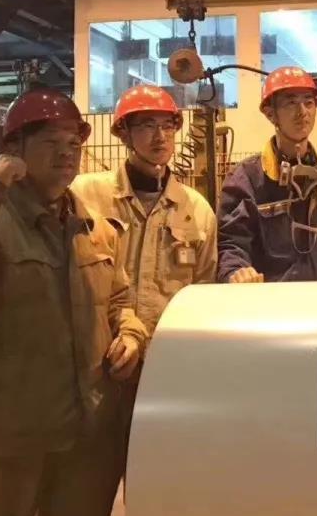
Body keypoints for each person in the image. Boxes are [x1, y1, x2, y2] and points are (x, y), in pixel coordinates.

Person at [0, 87, 147, 516]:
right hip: (6, 445)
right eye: (50, 142)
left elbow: (119, 298)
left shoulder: (94, 227)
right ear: (15, 149)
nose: (66, 153)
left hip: (85, 439)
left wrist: (131, 334)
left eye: (73, 143)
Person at [71, 84, 217, 487]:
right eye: (146, 125)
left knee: (158, 489)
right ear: (123, 133)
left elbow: (203, 295)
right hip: (96, 373)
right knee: (85, 491)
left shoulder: (197, 212)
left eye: (168, 126)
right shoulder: (86, 195)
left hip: (164, 375)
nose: (160, 136)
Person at [217, 66, 317, 282]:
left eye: (309, 102)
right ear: (270, 113)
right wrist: (236, 271)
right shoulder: (247, 179)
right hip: (274, 301)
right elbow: (232, 244)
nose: (302, 112)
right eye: (291, 103)